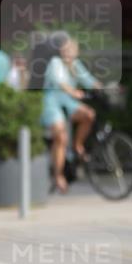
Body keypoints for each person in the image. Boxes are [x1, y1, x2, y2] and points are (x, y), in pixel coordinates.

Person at [40, 36, 101, 193]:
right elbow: (60, 82)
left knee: (89, 115)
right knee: (61, 137)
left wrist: (106, 88)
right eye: (65, 50)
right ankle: (58, 175)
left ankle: (78, 145)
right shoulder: (55, 63)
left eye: (71, 50)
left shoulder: (76, 65)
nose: (67, 53)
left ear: (76, 51)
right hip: (52, 103)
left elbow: (88, 80)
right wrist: (73, 92)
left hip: (68, 103)